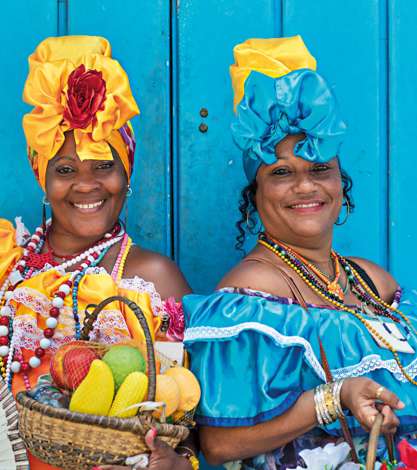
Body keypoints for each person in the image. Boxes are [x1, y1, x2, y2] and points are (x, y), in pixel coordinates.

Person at [183, 36, 417, 469]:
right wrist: (333, 399)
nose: (305, 186)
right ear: (256, 193)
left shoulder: (372, 280)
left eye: (319, 170)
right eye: (282, 173)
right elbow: (217, 445)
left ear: (339, 184)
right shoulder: (247, 296)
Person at [0, 36, 197, 470]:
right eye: (65, 170)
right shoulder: (6, 265)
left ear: (127, 173)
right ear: (43, 179)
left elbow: (188, 428)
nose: (86, 185)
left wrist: (178, 464)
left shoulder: (152, 277)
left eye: (104, 166)